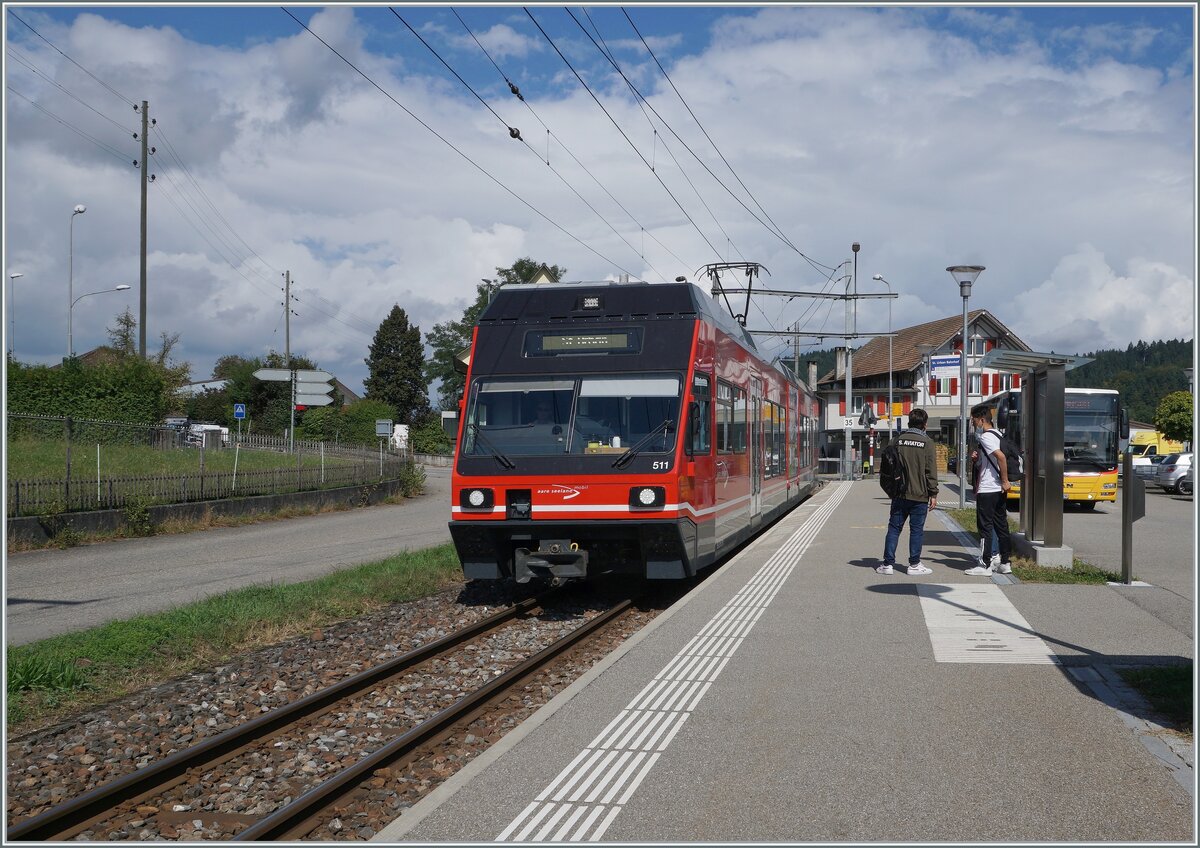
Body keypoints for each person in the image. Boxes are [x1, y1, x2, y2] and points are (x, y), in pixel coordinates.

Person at [877, 408, 939, 576]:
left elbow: (888, 467)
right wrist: (933, 493)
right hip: (920, 494)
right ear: (924, 425)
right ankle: (914, 565)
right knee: (916, 530)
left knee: (894, 528)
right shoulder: (928, 443)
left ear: (909, 423)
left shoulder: (896, 441)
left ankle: (887, 564)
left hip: (899, 494)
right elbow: (930, 471)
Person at [965, 404, 1013, 576]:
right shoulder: (998, 434)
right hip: (999, 490)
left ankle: (985, 564)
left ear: (982, 419)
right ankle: (1005, 562)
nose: (973, 423)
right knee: (1002, 526)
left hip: (988, 489)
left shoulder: (986, 437)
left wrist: (1005, 480)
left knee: (985, 527)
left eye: (973, 420)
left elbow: (1000, 457)